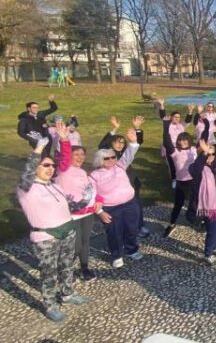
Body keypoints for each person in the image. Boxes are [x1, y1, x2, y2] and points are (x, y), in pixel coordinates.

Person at [17, 135, 92, 322]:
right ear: (36, 167)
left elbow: (70, 206)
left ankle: (67, 294)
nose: (50, 168)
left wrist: (85, 199)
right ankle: (50, 305)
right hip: (46, 237)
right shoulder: (26, 189)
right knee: (49, 273)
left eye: (52, 165)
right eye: (45, 165)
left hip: (67, 231)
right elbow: (27, 172)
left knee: (67, 266)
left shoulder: (55, 186)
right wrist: (38, 149)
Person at [89, 127, 144, 268]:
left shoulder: (120, 166)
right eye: (106, 158)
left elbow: (129, 154)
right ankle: (117, 255)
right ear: (99, 160)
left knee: (132, 229)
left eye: (113, 157)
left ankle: (131, 249)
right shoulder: (94, 176)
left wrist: (133, 142)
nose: (110, 160)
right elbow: (91, 196)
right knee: (114, 232)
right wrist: (100, 212)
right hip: (111, 208)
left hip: (130, 204)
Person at [54, 121, 99, 282]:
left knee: (85, 242)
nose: (80, 157)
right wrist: (64, 140)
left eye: (82, 154)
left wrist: (98, 202)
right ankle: (65, 270)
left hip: (87, 213)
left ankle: (84, 267)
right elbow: (65, 156)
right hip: (71, 215)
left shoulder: (82, 172)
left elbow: (91, 190)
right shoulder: (63, 170)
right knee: (76, 245)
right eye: (77, 154)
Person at [162, 116, 200, 237]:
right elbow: (166, 140)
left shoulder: (194, 149)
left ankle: (196, 219)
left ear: (189, 141)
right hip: (181, 182)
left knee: (196, 202)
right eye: (180, 140)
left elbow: (204, 139)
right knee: (178, 204)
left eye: (185, 140)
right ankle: (172, 224)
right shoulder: (174, 152)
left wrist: (205, 122)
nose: (182, 142)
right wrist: (166, 125)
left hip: (194, 181)